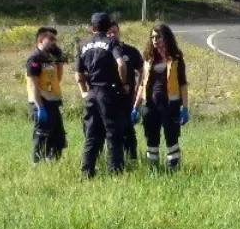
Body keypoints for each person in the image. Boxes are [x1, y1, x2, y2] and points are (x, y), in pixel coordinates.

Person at [75, 11, 129, 177]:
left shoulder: (83, 45)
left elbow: (79, 75)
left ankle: (87, 172)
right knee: (113, 132)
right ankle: (115, 171)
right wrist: (123, 82)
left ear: (92, 27)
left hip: (91, 92)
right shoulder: (111, 42)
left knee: (92, 133)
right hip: (108, 92)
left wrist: (85, 92)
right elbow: (121, 64)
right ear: (107, 27)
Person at [136, 22, 189, 171]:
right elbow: (141, 84)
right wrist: (136, 107)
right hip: (150, 105)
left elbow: (183, 85)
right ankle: (152, 168)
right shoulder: (148, 58)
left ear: (166, 37)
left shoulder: (176, 59)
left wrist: (184, 108)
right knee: (151, 137)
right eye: (152, 37)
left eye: (158, 36)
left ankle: (173, 167)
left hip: (169, 105)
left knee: (171, 137)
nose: (155, 40)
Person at [25, 26, 66, 162]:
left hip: (53, 103)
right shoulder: (35, 59)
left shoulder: (50, 58)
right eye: (51, 39)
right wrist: (40, 107)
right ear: (41, 40)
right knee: (42, 138)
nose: (54, 42)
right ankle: (37, 166)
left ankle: (52, 165)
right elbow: (33, 84)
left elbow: (57, 79)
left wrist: (60, 61)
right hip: (41, 103)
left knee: (57, 139)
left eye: (55, 39)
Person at [108, 20, 144, 164]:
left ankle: (132, 159)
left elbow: (142, 71)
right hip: (108, 98)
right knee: (111, 131)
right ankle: (114, 160)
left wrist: (138, 88)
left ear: (119, 32)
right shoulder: (103, 51)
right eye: (108, 32)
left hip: (127, 98)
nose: (111, 35)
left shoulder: (130, 51)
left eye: (114, 32)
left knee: (128, 130)